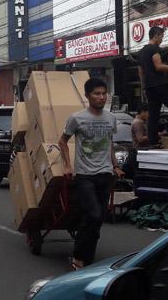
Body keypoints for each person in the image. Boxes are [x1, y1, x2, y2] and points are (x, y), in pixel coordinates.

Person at [59, 77, 124, 270]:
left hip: (105, 174)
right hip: (85, 175)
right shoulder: (77, 118)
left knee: (98, 219)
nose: (101, 97)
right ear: (88, 96)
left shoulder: (111, 118)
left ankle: (88, 258)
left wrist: (115, 165)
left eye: (104, 94)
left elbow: (109, 143)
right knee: (94, 214)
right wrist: (68, 165)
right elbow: (62, 141)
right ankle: (78, 255)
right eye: (97, 94)